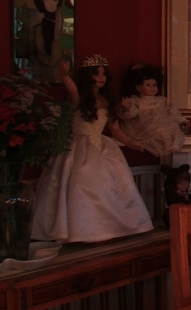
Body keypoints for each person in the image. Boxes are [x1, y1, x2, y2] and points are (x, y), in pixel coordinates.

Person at [32, 54, 154, 243]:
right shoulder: (79, 98)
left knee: (110, 185)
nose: (100, 78)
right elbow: (71, 88)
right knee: (82, 183)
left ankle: (107, 227)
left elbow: (115, 129)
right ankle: (82, 229)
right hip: (79, 146)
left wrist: (131, 142)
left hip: (101, 146)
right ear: (87, 76)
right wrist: (64, 76)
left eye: (103, 74)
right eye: (96, 74)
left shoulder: (107, 101)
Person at [118, 64, 187, 155]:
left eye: (155, 85)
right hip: (145, 125)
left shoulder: (161, 100)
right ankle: (163, 147)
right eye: (148, 85)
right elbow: (130, 114)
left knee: (173, 129)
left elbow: (172, 111)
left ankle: (173, 145)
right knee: (158, 131)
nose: (152, 87)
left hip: (162, 122)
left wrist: (181, 120)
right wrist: (127, 107)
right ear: (138, 87)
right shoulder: (136, 101)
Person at [30, 0, 66, 82]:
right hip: (42, 67)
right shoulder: (40, 25)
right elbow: (39, 48)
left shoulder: (58, 20)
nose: (51, 3)